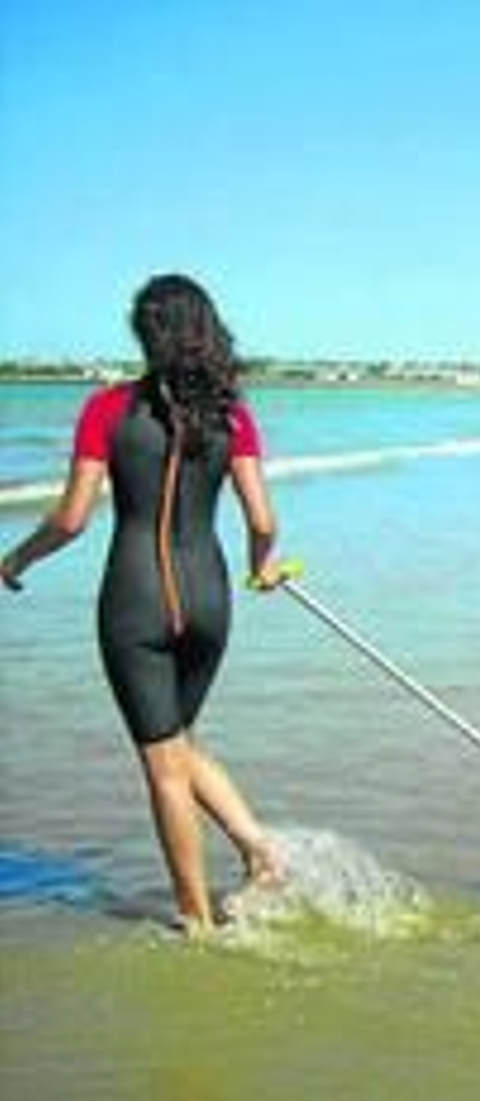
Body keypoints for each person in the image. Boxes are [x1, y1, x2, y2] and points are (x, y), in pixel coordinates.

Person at [1, 274, 291, 935]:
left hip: (136, 606)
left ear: (145, 334)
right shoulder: (233, 415)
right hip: (211, 599)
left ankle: (197, 922)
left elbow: (73, 519)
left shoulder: (106, 409)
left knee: (163, 765)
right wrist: (260, 567)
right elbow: (265, 519)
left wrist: (15, 560)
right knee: (180, 742)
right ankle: (261, 852)